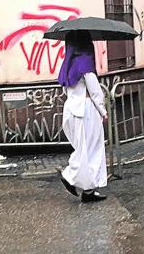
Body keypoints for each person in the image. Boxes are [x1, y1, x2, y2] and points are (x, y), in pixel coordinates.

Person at [57, 30, 108, 203]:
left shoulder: (68, 63)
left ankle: (88, 190)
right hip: (87, 110)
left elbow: (66, 88)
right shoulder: (85, 62)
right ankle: (70, 176)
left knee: (84, 148)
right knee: (93, 149)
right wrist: (103, 111)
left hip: (72, 109)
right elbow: (95, 91)